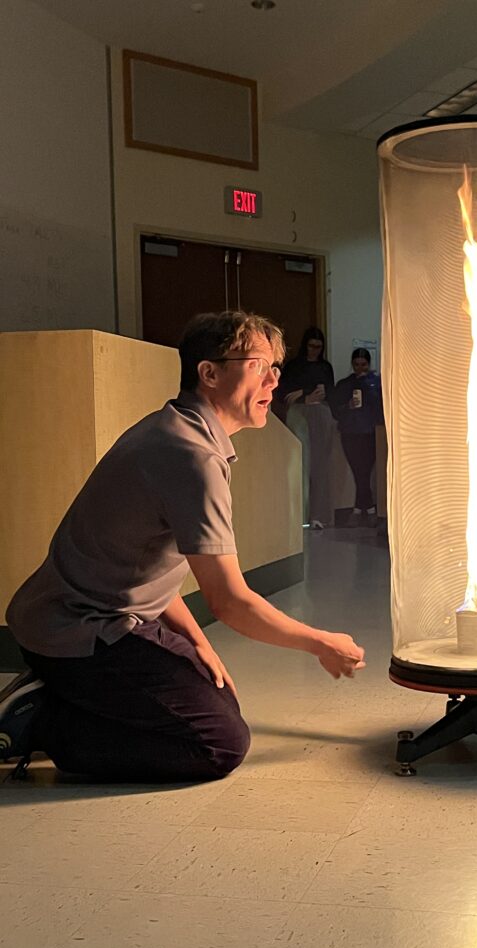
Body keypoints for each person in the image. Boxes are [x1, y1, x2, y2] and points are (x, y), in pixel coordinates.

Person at [0, 311, 365, 782]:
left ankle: (69, 693)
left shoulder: (176, 429)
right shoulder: (191, 456)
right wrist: (322, 643)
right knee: (218, 744)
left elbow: (148, 567)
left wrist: (198, 644)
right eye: (258, 365)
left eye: (275, 367)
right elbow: (230, 602)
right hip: (79, 630)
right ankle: (41, 721)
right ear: (208, 373)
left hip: (81, 614)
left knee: (217, 696)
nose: (274, 380)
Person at [277, 326, 336, 528]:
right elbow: (283, 393)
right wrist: (305, 395)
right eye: (312, 346)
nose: (315, 351)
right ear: (305, 345)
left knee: (321, 465)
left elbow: (328, 390)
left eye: (318, 347)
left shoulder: (325, 366)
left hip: (320, 412)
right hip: (299, 413)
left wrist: (304, 392)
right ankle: (300, 516)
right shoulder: (294, 366)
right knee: (300, 463)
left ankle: (319, 515)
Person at [333, 348, 384, 525]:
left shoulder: (376, 383)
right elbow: (335, 409)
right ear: (352, 364)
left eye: (363, 365)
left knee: (364, 471)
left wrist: (368, 386)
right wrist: (348, 406)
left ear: (369, 364)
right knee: (358, 471)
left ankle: (361, 510)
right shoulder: (345, 384)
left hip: (370, 432)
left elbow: (381, 408)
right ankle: (368, 509)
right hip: (350, 432)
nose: (360, 368)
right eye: (356, 365)